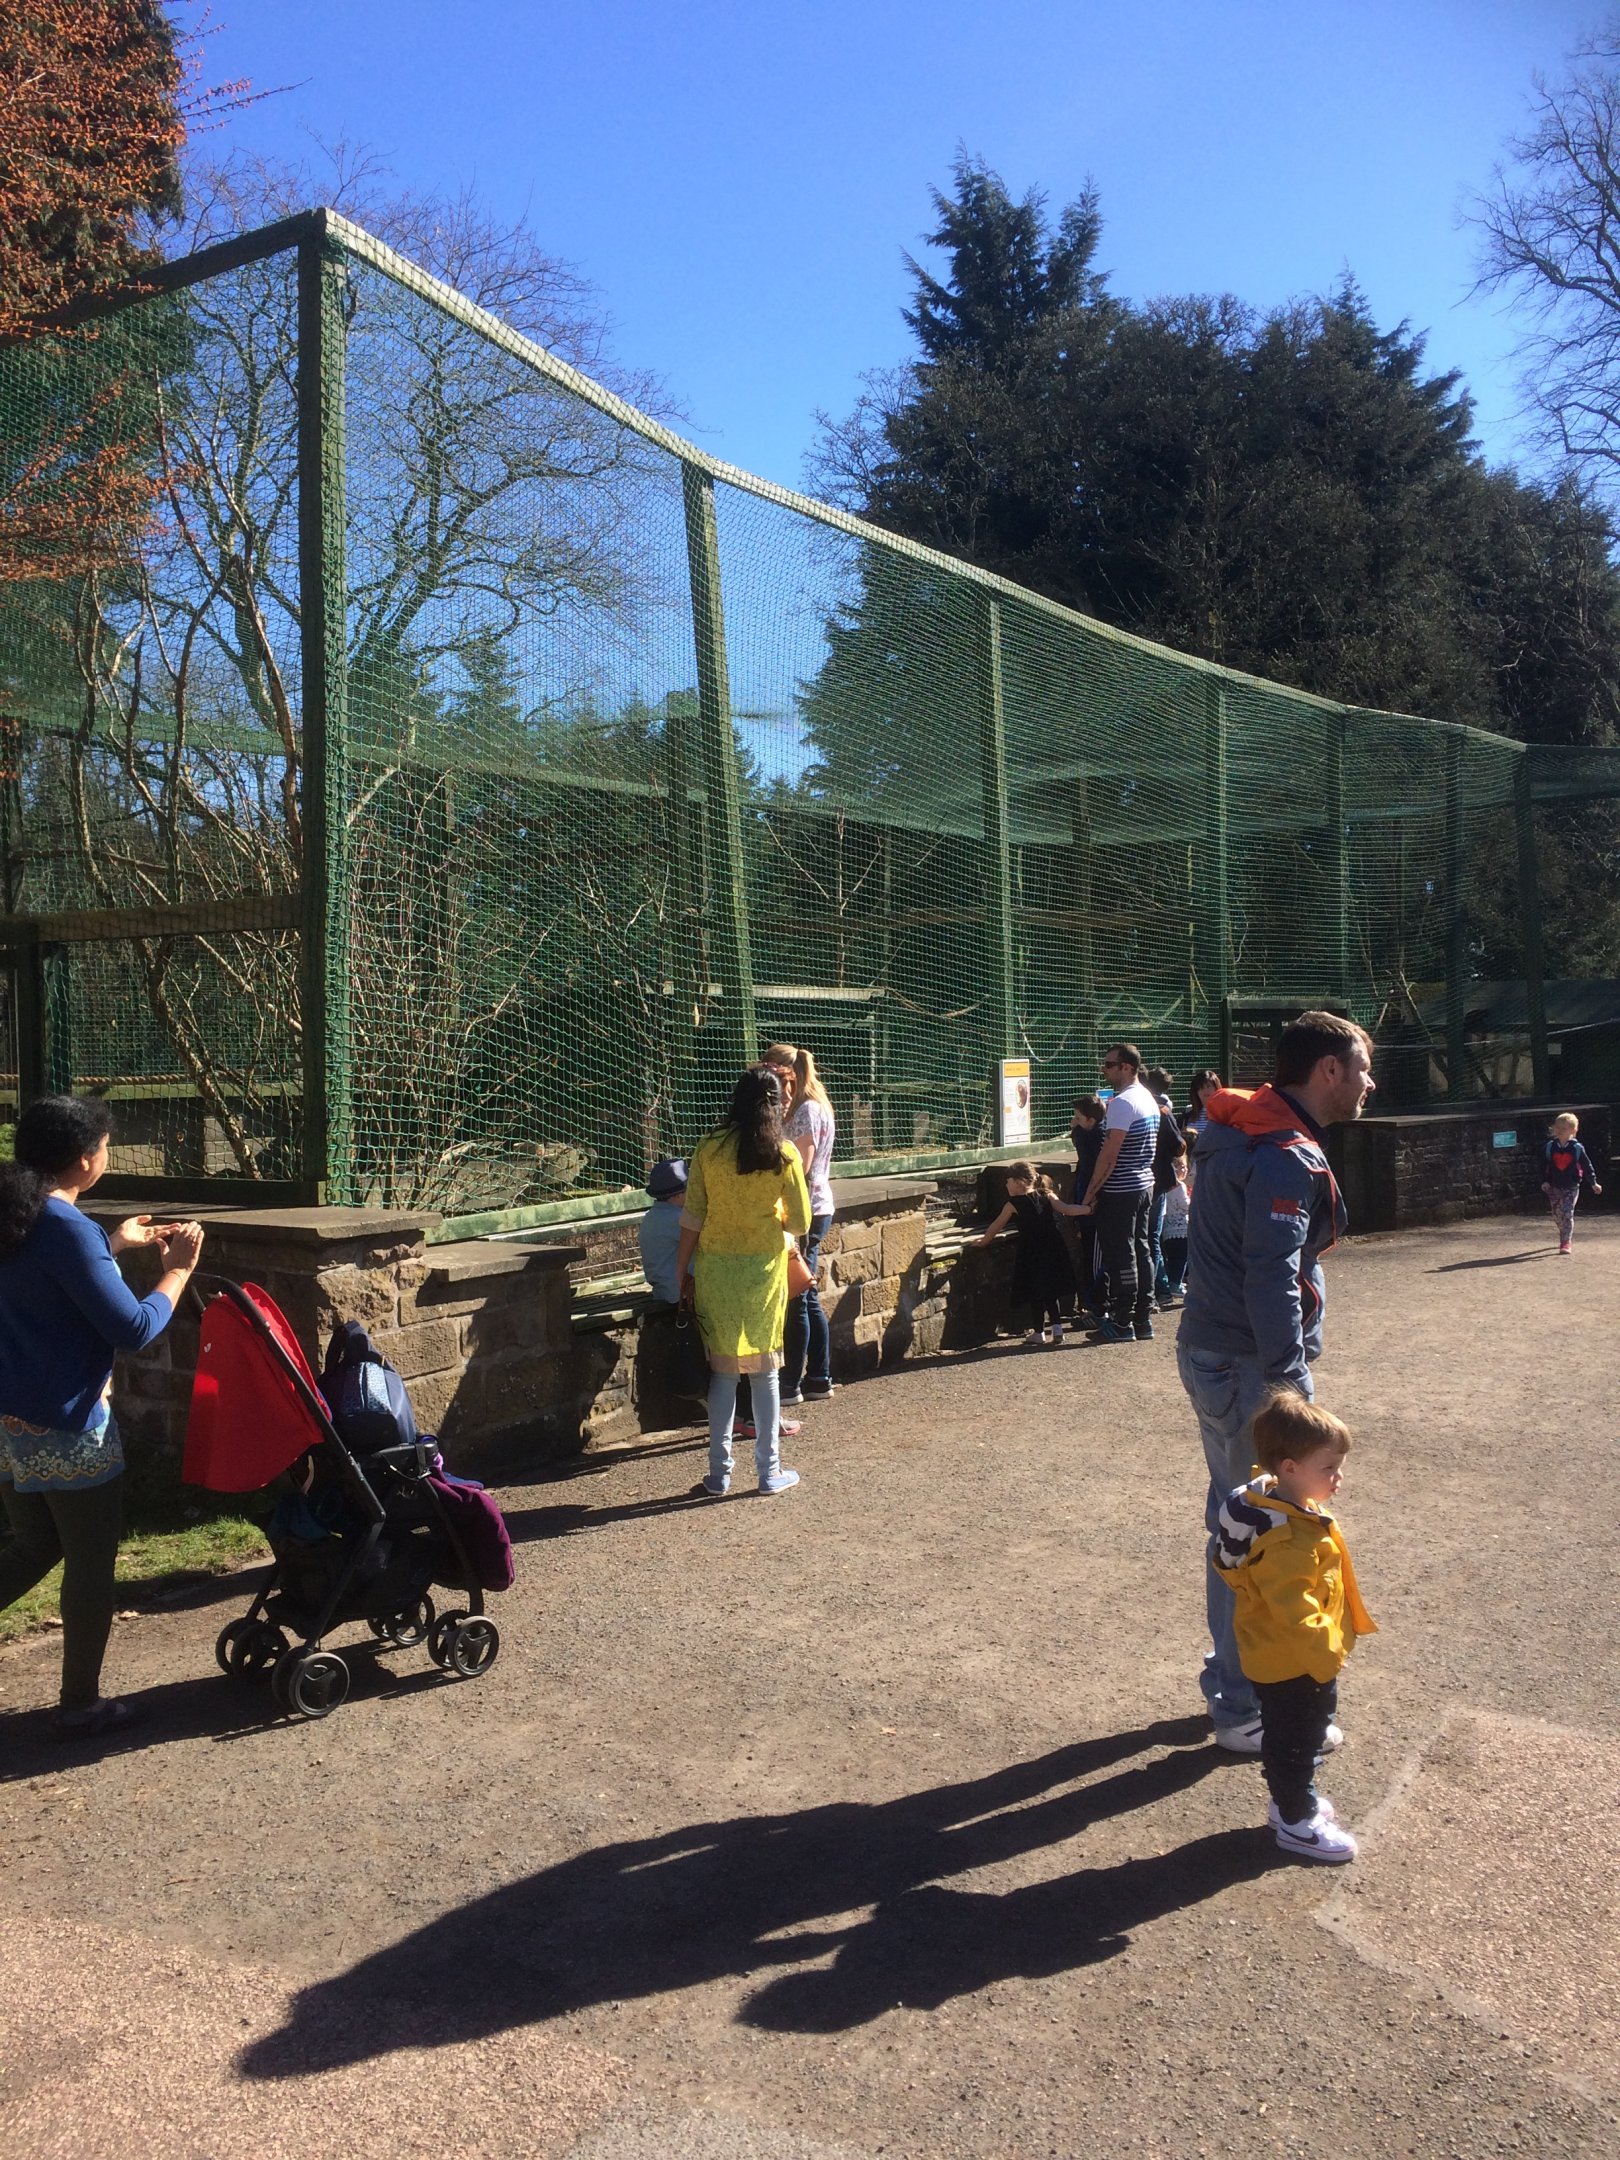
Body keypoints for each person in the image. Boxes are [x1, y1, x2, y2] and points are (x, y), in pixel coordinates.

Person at [1176, 1009, 1375, 1753]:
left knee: (1235, 1519)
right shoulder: (1284, 1152)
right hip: (1251, 1365)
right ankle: (1241, 1704)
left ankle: (1233, 1683)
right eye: (1360, 1067)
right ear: (1327, 1071)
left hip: (1213, 1353)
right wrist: (1290, 1385)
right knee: (1265, 1529)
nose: (1368, 1081)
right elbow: (1272, 1274)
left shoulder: (1239, 1129)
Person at [0, 1094, 203, 1736]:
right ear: (87, 1158)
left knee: (34, 1543)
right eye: (106, 1146)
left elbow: (45, 1290)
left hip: (10, 1422)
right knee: (91, 1559)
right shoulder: (67, 1229)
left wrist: (112, 1244)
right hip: (71, 1427)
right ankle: (81, 1704)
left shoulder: (16, 1212)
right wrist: (175, 1273)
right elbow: (133, 1326)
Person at [1211, 1392, 1376, 1863]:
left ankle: (1292, 1805)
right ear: (1288, 1467)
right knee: (1295, 1741)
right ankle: (1296, 1821)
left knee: (1298, 1732)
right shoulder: (1286, 1541)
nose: (1338, 1477)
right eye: (1328, 1468)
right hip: (1294, 1662)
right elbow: (1296, 1615)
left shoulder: (1273, 1503)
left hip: (1284, 1655)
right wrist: (1328, 1656)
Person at [675, 1068, 812, 1498]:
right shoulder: (783, 1153)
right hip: (763, 1272)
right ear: (775, 1104)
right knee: (765, 1371)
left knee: (722, 1372)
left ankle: (718, 1474)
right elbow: (803, 1220)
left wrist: (682, 1275)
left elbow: (692, 1217)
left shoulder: (709, 1147)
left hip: (715, 1269)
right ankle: (769, 1471)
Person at [762, 1041, 837, 1404]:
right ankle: (819, 1377)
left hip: (808, 1209)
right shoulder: (814, 1105)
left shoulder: (807, 1109)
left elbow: (801, 1167)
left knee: (801, 1297)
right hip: (812, 1205)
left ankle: (794, 1382)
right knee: (807, 1296)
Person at [1074, 1044, 1160, 1343]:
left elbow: (1109, 1155)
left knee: (1121, 1254)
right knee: (1141, 1248)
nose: (1104, 1069)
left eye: (1109, 1064)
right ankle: (1142, 1318)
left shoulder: (1122, 1103)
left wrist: (1091, 1192)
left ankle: (1123, 1322)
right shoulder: (1146, 1097)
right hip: (1143, 1184)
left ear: (1126, 1067)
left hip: (1121, 1189)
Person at [971, 1161, 1085, 1345]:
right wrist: (1087, 1209)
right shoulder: (1047, 1195)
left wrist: (984, 1241)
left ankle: (1039, 1332)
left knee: (1035, 1290)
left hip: (1030, 1251)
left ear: (1019, 1182)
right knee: (1051, 1289)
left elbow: (996, 1226)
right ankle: (1057, 1328)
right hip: (1052, 1247)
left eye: (1008, 1181)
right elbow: (1067, 1209)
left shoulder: (1013, 1204)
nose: (1006, 1185)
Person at [1145, 1067, 1185, 1309]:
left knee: (1148, 1237)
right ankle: (1159, 1289)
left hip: (1145, 1179)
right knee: (1151, 1237)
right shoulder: (1161, 1108)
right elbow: (1177, 1145)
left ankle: (1158, 1289)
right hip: (1156, 1179)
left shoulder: (1126, 1104)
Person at [1068, 1095, 1109, 1320]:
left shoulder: (1094, 1138)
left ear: (1090, 1121)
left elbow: (1092, 1167)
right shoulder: (1090, 1133)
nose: (1074, 1121)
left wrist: (1088, 1201)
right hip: (1086, 1201)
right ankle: (1093, 1303)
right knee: (1088, 1252)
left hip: (1093, 1206)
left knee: (1095, 1257)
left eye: (1078, 1118)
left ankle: (1096, 1307)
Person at [1540, 1111, 1602, 1254]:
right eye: (1557, 1127)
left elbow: (1587, 1166)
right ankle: (1563, 1230)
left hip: (1571, 1186)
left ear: (1573, 1131)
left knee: (1568, 1213)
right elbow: (1543, 1166)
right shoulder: (1550, 1147)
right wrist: (1544, 1181)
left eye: (1564, 1128)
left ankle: (1565, 1241)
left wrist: (1593, 1183)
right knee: (1556, 1214)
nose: (1560, 1131)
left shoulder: (1577, 1148)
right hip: (1554, 1186)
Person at [1158, 1147, 1190, 1300]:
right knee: (1181, 1257)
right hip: (1181, 1228)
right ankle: (1175, 1283)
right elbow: (1185, 1204)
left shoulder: (1164, 1188)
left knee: (1172, 1257)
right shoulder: (1180, 1186)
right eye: (1181, 1167)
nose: (1185, 1169)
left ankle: (1173, 1281)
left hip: (1167, 1228)